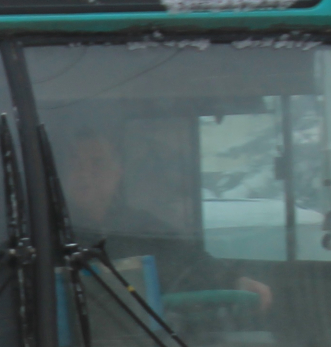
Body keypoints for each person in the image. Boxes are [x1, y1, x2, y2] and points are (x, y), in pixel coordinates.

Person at [61, 129, 271, 310]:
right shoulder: (51, 234)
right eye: (75, 163)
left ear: (117, 173)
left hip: (145, 337)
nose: (84, 173)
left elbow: (190, 262)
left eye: (96, 163)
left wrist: (235, 282)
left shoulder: (141, 228)